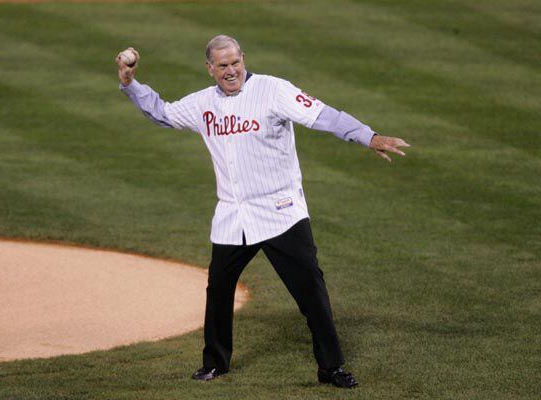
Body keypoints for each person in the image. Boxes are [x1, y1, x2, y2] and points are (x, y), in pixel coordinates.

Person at [116, 35, 410, 389]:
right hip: (233, 215)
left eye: (235, 62)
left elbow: (322, 115)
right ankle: (215, 362)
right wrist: (130, 84)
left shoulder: (274, 90)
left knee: (310, 292)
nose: (231, 71)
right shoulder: (203, 104)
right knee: (219, 289)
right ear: (209, 69)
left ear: (244, 59)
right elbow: (161, 113)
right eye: (222, 65)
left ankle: (331, 367)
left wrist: (368, 136)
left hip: (281, 212)